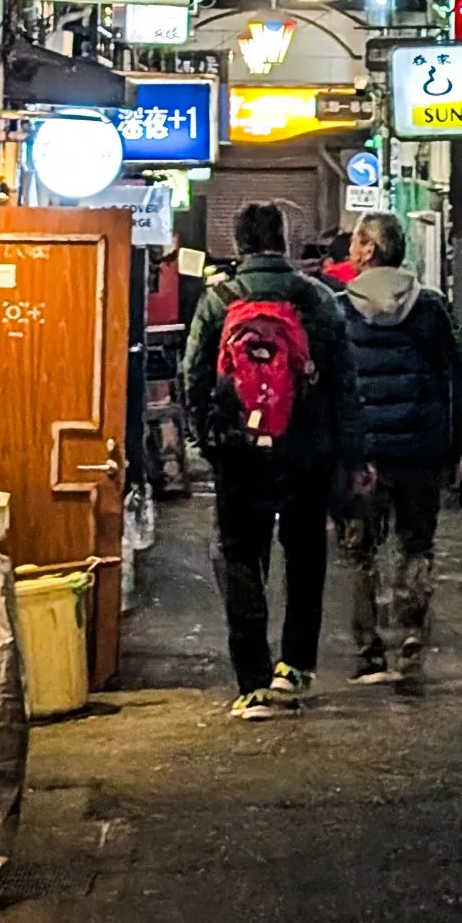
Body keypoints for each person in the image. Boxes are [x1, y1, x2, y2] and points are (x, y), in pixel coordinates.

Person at [183, 200, 367, 719]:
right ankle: (296, 667)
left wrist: (209, 442)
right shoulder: (318, 299)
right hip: (308, 451)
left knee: (242, 555)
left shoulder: (219, 300)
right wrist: (352, 454)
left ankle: (252, 684)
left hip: (239, 454)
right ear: (284, 241)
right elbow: (345, 386)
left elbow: (193, 376)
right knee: (305, 552)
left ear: (239, 244)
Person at [334, 210, 462, 693]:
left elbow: (335, 390)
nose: (350, 250)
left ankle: (370, 651)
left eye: (355, 242)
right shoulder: (429, 307)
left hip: (364, 457)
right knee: (417, 545)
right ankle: (412, 634)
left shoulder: (341, 309)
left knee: (359, 552)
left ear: (369, 250)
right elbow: (454, 383)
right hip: (420, 450)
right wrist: (458, 449)